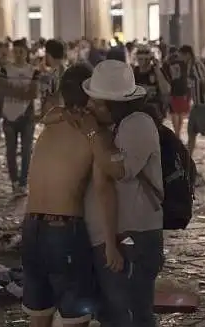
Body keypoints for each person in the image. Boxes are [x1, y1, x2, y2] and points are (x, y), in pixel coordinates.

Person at [22, 62, 123, 327]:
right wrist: (111, 244)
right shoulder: (92, 134)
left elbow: (48, 113)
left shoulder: (51, 125)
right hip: (63, 232)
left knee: (39, 317)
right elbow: (104, 188)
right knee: (75, 318)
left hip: (31, 229)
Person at [78, 60, 165, 327]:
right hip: (117, 233)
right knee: (115, 312)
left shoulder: (138, 123)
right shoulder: (115, 127)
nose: (90, 108)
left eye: (96, 102)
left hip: (134, 234)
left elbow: (118, 169)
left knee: (130, 313)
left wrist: (92, 133)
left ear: (114, 104)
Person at [0, 39, 39, 196]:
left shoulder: (33, 71)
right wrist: (23, 92)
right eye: (15, 51)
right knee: (10, 150)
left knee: (27, 150)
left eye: (21, 51)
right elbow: (2, 89)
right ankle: (14, 182)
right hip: (9, 115)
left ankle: (23, 182)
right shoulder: (5, 70)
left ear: (26, 52)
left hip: (27, 115)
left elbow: (33, 93)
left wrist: (13, 90)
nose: (18, 54)